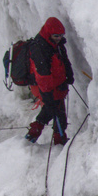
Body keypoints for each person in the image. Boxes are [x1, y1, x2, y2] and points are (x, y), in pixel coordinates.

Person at [26, 16, 73, 145]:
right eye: (56, 35)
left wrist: (69, 74)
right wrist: (47, 94)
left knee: (55, 110)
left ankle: (36, 132)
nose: (59, 38)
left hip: (58, 84)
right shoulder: (39, 47)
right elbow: (42, 75)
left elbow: (64, 59)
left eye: (61, 35)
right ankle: (57, 137)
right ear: (49, 33)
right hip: (48, 87)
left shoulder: (56, 43)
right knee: (55, 110)